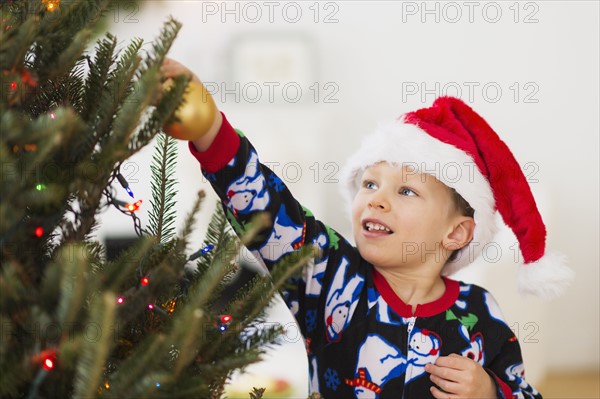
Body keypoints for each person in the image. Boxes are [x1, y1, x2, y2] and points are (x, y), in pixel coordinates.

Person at [161, 58, 573, 399]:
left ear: (456, 233)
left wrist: (489, 392)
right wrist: (209, 129)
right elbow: (268, 210)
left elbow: (524, 393)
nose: (376, 198)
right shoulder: (328, 275)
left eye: (407, 191)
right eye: (370, 183)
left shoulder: (481, 312)